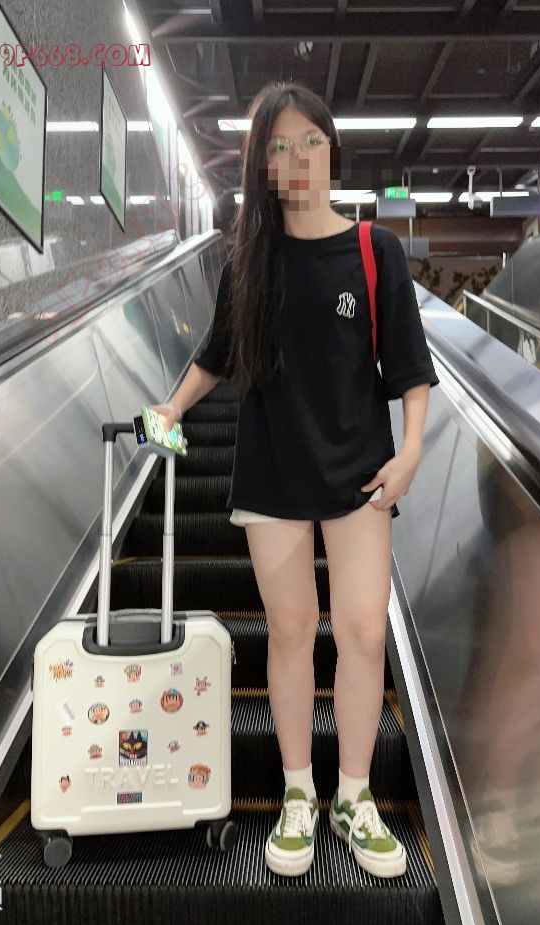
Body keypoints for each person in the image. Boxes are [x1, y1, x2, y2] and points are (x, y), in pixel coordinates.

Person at [150, 81, 439, 879]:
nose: (299, 159)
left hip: (360, 470)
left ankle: (354, 795)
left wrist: (412, 450)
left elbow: (409, 367)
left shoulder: (375, 251)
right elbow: (216, 354)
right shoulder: (251, 259)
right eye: (279, 147)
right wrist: (170, 408)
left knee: (364, 631)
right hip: (272, 467)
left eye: (310, 141)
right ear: (263, 167)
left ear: (331, 149)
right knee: (289, 630)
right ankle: (298, 792)